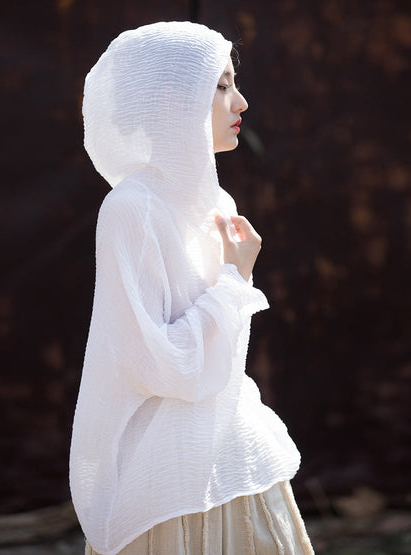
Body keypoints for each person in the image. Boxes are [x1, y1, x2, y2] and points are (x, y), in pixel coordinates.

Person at [70, 21, 314, 555]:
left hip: (236, 457)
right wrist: (235, 280)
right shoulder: (131, 208)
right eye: (222, 85)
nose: (241, 101)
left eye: (234, 82)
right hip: (164, 482)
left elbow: (223, 364)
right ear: (170, 97)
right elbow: (163, 366)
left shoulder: (219, 207)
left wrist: (236, 278)